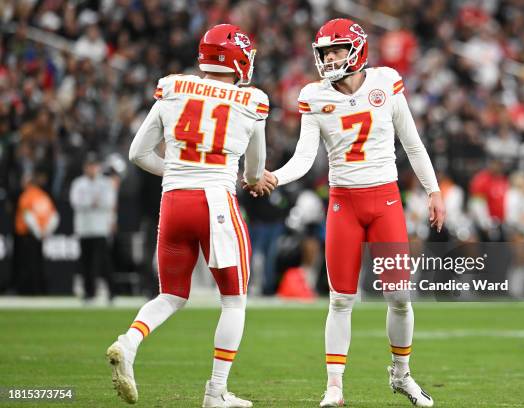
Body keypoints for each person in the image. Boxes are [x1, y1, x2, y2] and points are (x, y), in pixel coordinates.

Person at [249, 18, 445, 408]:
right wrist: (275, 176)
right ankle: (334, 387)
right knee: (340, 299)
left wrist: (433, 189)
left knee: (400, 297)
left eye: (336, 50)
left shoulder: (385, 82)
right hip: (344, 204)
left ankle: (402, 375)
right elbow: (304, 158)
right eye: (324, 52)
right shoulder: (314, 96)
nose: (329, 58)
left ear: (356, 50)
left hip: (386, 200)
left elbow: (414, 144)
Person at [106, 24, 271, 408]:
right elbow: (253, 172)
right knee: (233, 300)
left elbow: (137, 154)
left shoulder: (173, 88)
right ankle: (216, 394)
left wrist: (180, 172)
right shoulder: (252, 101)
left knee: (170, 294)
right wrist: (247, 179)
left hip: (174, 200)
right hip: (215, 202)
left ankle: (129, 342)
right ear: (238, 60)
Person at [69, 152, 118, 303]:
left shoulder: (105, 183)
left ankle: (112, 291)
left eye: (94, 165)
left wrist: (90, 202)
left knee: (103, 262)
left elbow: (109, 202)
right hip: (84, 229)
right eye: (89, 165)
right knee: (85, 261)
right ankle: (89, 292)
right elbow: (75, 202)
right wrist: (92, 202)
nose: (91, 168)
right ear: (85, 167)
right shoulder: (78, 183)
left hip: (100, 228)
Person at [12, 167, 59, 294]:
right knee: (39, 263)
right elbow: (54, 217)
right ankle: (40, 289)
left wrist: (38, 232)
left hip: (27, 235)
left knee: (26, 265)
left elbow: (28, 217)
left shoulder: (26, 196)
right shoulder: (44, 196)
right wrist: (45, 232)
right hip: (41, 236)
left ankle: (27, 290)